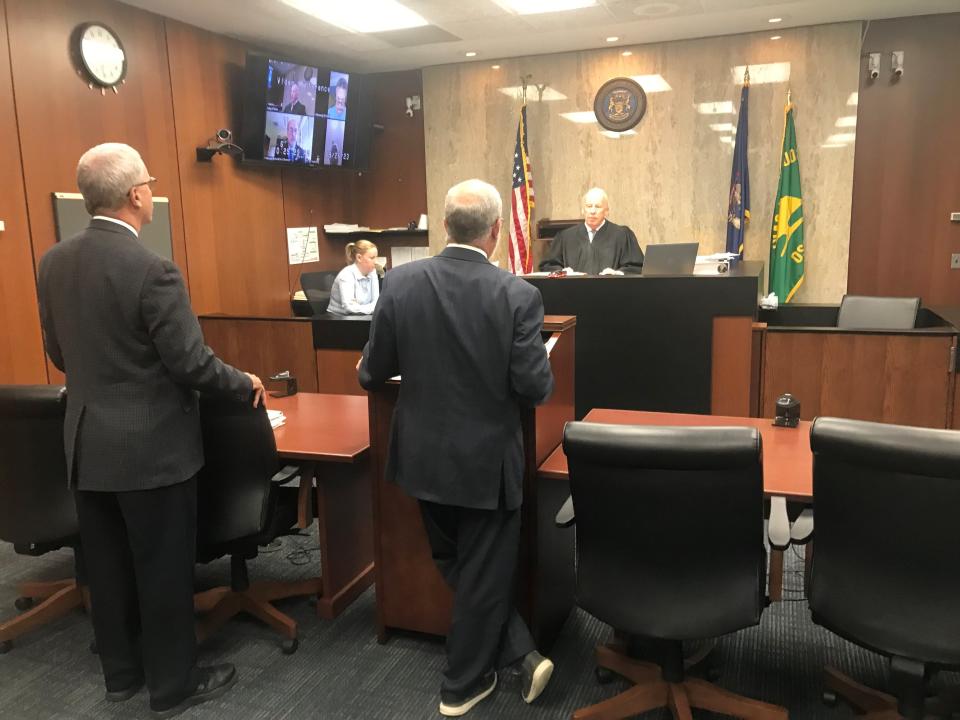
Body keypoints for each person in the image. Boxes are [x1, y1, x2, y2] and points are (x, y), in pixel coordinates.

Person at [36, 143, 265, 719]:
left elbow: (58, 352)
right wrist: (244, 383)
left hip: (86, 446)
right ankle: (172, 686)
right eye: (152, 185)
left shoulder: (53, 261)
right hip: (152, 451)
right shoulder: (153, 269)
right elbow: (190, 364)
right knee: (162, 569)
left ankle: (121, 677)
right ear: (138, 194)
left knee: (105, 568)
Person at [359, 179, 556, 717]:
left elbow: (372, 371)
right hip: (486, 465)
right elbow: (534, 388)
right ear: (496, 232)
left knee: (456, 559)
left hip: (421, 458)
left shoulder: (397, 283)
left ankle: (519, 650)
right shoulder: (519, 295)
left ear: (445, 226)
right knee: (485, 570)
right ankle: (462, 685)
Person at [538, 187, 644, 274]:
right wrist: (563, 272)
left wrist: (617, 274)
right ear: (583, 210)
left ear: (607, 211)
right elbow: (549, 265)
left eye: (597, 207)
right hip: (572, 294)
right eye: (589, 206)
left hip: (611, 293)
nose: (592, 211)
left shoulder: (622, 235)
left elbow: (636, 266)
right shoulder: (566, 237)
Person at [326, 239, 380, 315]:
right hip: (340, 319)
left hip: (363, 316)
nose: (376, 261)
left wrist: (361, 307)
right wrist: (372, 308)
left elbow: (377, 302)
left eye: (376, 257)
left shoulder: (372, 272)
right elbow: (350, 308)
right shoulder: (346, 275)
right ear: (359, 258)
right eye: (372, 258)